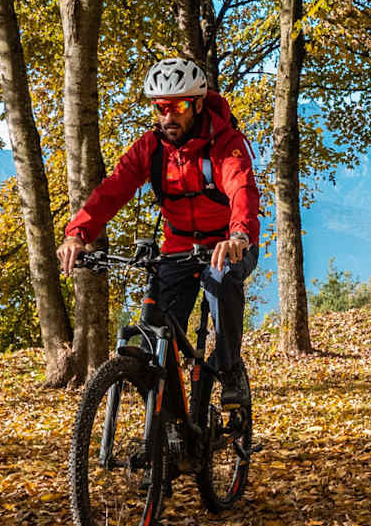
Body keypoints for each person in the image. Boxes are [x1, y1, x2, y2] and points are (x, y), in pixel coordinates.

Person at [58, 57, 261, 407]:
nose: (168, 116)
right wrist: (78, 233)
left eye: (177, 106)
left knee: (224, 281)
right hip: (178, 247)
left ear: (197, 104)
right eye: (160, 107)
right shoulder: (150, 148)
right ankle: (164, 440)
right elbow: (113, 189)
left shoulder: (226, 143)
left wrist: (239, 235)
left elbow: (241, 187)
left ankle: (228, 369)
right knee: (156, 338)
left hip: (227, 245)